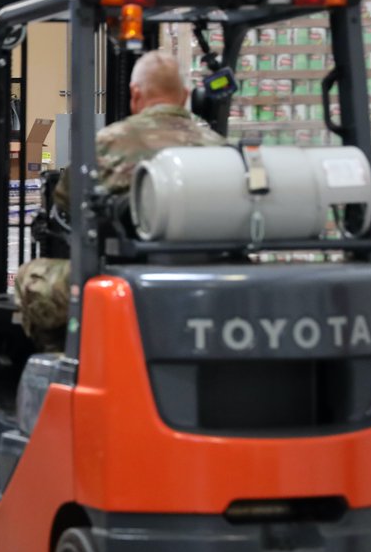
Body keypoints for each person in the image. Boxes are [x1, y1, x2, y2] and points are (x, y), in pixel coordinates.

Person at [15, 50, 225, 349]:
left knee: (31, 277)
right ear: (185, 95)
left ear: (135, 94)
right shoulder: (220, 147)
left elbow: (64, 201)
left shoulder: (108, 143)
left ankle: (65, 360)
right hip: (208, 276)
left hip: (127, 276)